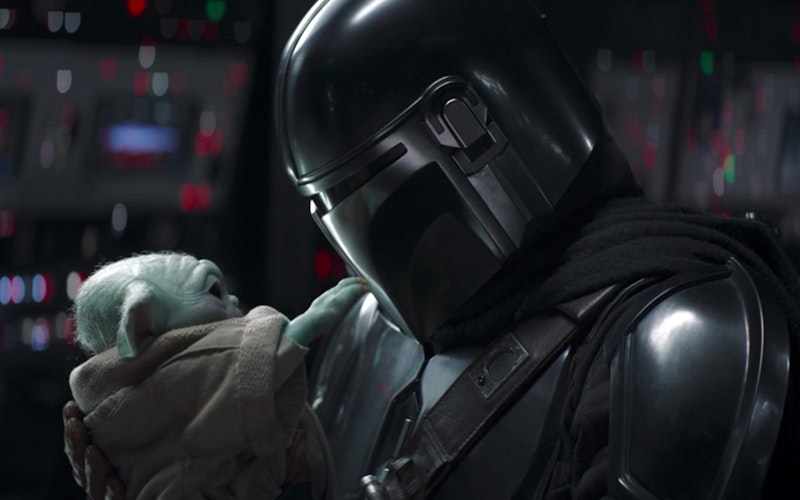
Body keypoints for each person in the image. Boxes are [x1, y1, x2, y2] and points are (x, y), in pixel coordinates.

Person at [65, 0, 800, 498]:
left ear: (471, 129)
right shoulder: (363, 329)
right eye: (328, 201)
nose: (354, 228)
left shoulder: (679, 345)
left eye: (359, 185)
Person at [66, 252, 365, 499]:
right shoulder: (175, 388)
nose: (233, 299)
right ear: (143, 324)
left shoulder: (121, 414)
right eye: (213, 291)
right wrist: (313, 319)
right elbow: (247, 366)